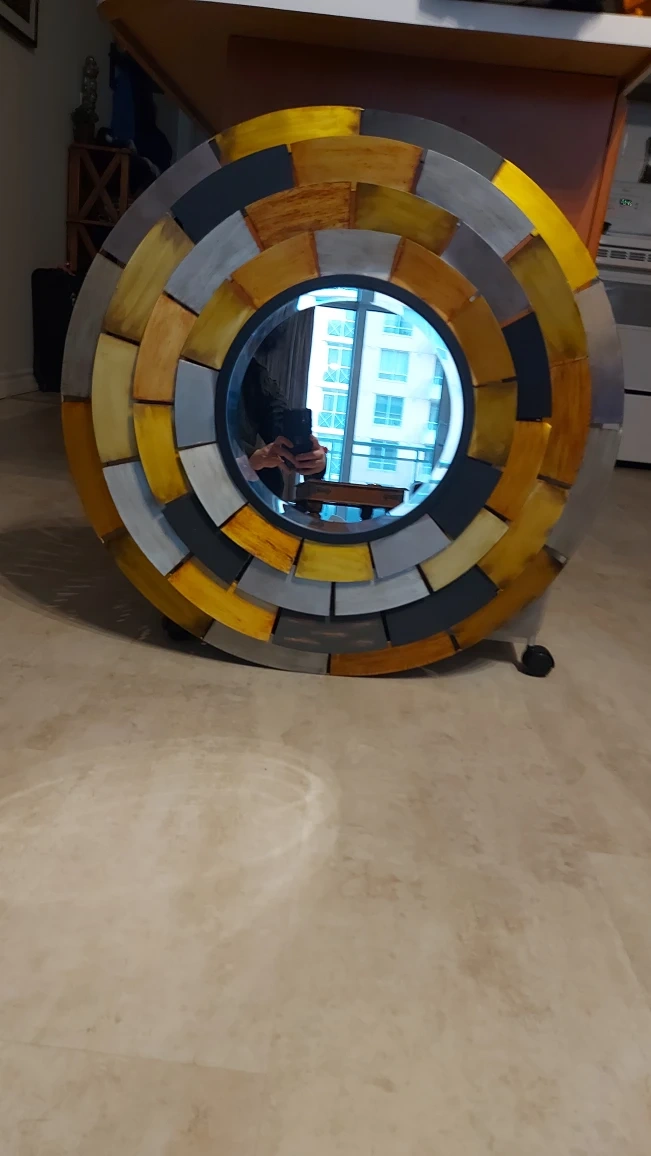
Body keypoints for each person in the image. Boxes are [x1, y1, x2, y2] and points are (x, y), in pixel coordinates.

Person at [238, 340, 327, 498]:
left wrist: (314, 460)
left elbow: (281, 432)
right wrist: (250, 459)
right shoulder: (252, 373)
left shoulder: (255, 376)